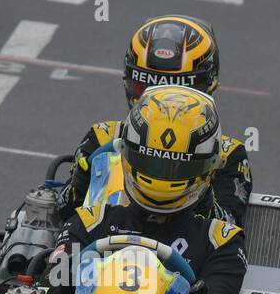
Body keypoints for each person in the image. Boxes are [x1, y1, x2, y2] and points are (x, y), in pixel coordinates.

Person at [26, 86, 246, 294]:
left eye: (174, 170)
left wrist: (188, 290)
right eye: (151, 164)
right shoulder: (88, 221)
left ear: (205, 168)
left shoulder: (220, 239)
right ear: (128, 156)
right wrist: (70, 276)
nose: (161, 179)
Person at [57, 15, 253, 225]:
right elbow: (61, 214)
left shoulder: (226, 153)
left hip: (185, 253)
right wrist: (79, 184)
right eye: (147, 89)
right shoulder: (102, 136)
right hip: (101, 251)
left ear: (207, 85)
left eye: (177, 92)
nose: (161, 104)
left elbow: (228, 226)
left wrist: (201, 193)